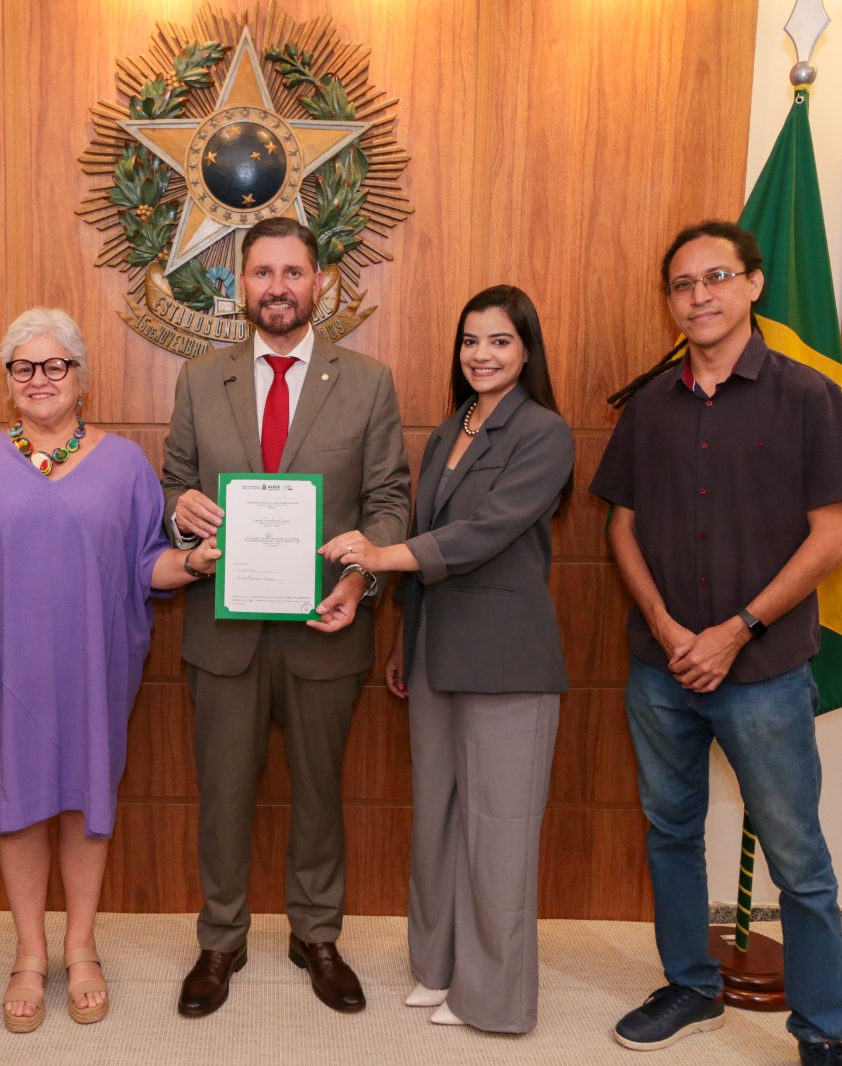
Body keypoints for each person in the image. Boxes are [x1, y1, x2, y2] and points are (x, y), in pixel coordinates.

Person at [590, 220, 842, 1066]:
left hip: (763, 672)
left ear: (753, 285)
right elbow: (622, 526)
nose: (699, 296)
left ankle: (822, 1028)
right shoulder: (650, 405)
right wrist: (668, 626)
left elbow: (830, 539)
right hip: (662, 665)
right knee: (671, 831)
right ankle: (692, 983)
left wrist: (735, 630)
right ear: (670, 302)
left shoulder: (807, 396)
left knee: (797, 854)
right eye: (682, 285)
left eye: (716, 277)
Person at [0, 308, 221, 1033]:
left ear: (81, 379)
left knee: (87, 804)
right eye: (23, 367)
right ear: (8, 381)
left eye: (54, 365)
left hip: (94, 668)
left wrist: (192, 562)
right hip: (4, 672)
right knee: (19, 803)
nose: (39, 379)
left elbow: (145, 564)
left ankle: (82, 946)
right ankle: (29, 953)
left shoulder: (124, 463)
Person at [163, 215, 411, 1017]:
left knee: (319, 793)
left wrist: (361, 581)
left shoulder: (368, 382)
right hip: (223, 628)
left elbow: (389, 502)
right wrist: (183, 515)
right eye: (262, 272)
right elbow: (171, 486)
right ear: (241, 286)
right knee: (223, 793)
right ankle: (220, 940)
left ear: (319, 283)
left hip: (324, 623)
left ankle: (317, 935)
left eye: (292, 272)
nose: (277, 287)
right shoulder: (202, 378)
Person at [320, 284, 573, 1034]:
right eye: (471, 341)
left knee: (498, 832)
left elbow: (482, 534)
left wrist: (379, 555)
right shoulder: (446, 431)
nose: (482, 355)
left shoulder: (545, 433)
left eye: (499, 340)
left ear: (526, 349)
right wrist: (403, 639)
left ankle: (493, 1001)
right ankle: (438, 968)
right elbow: (435, 540)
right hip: (434, 653)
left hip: (508, 662)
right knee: (436, 822)